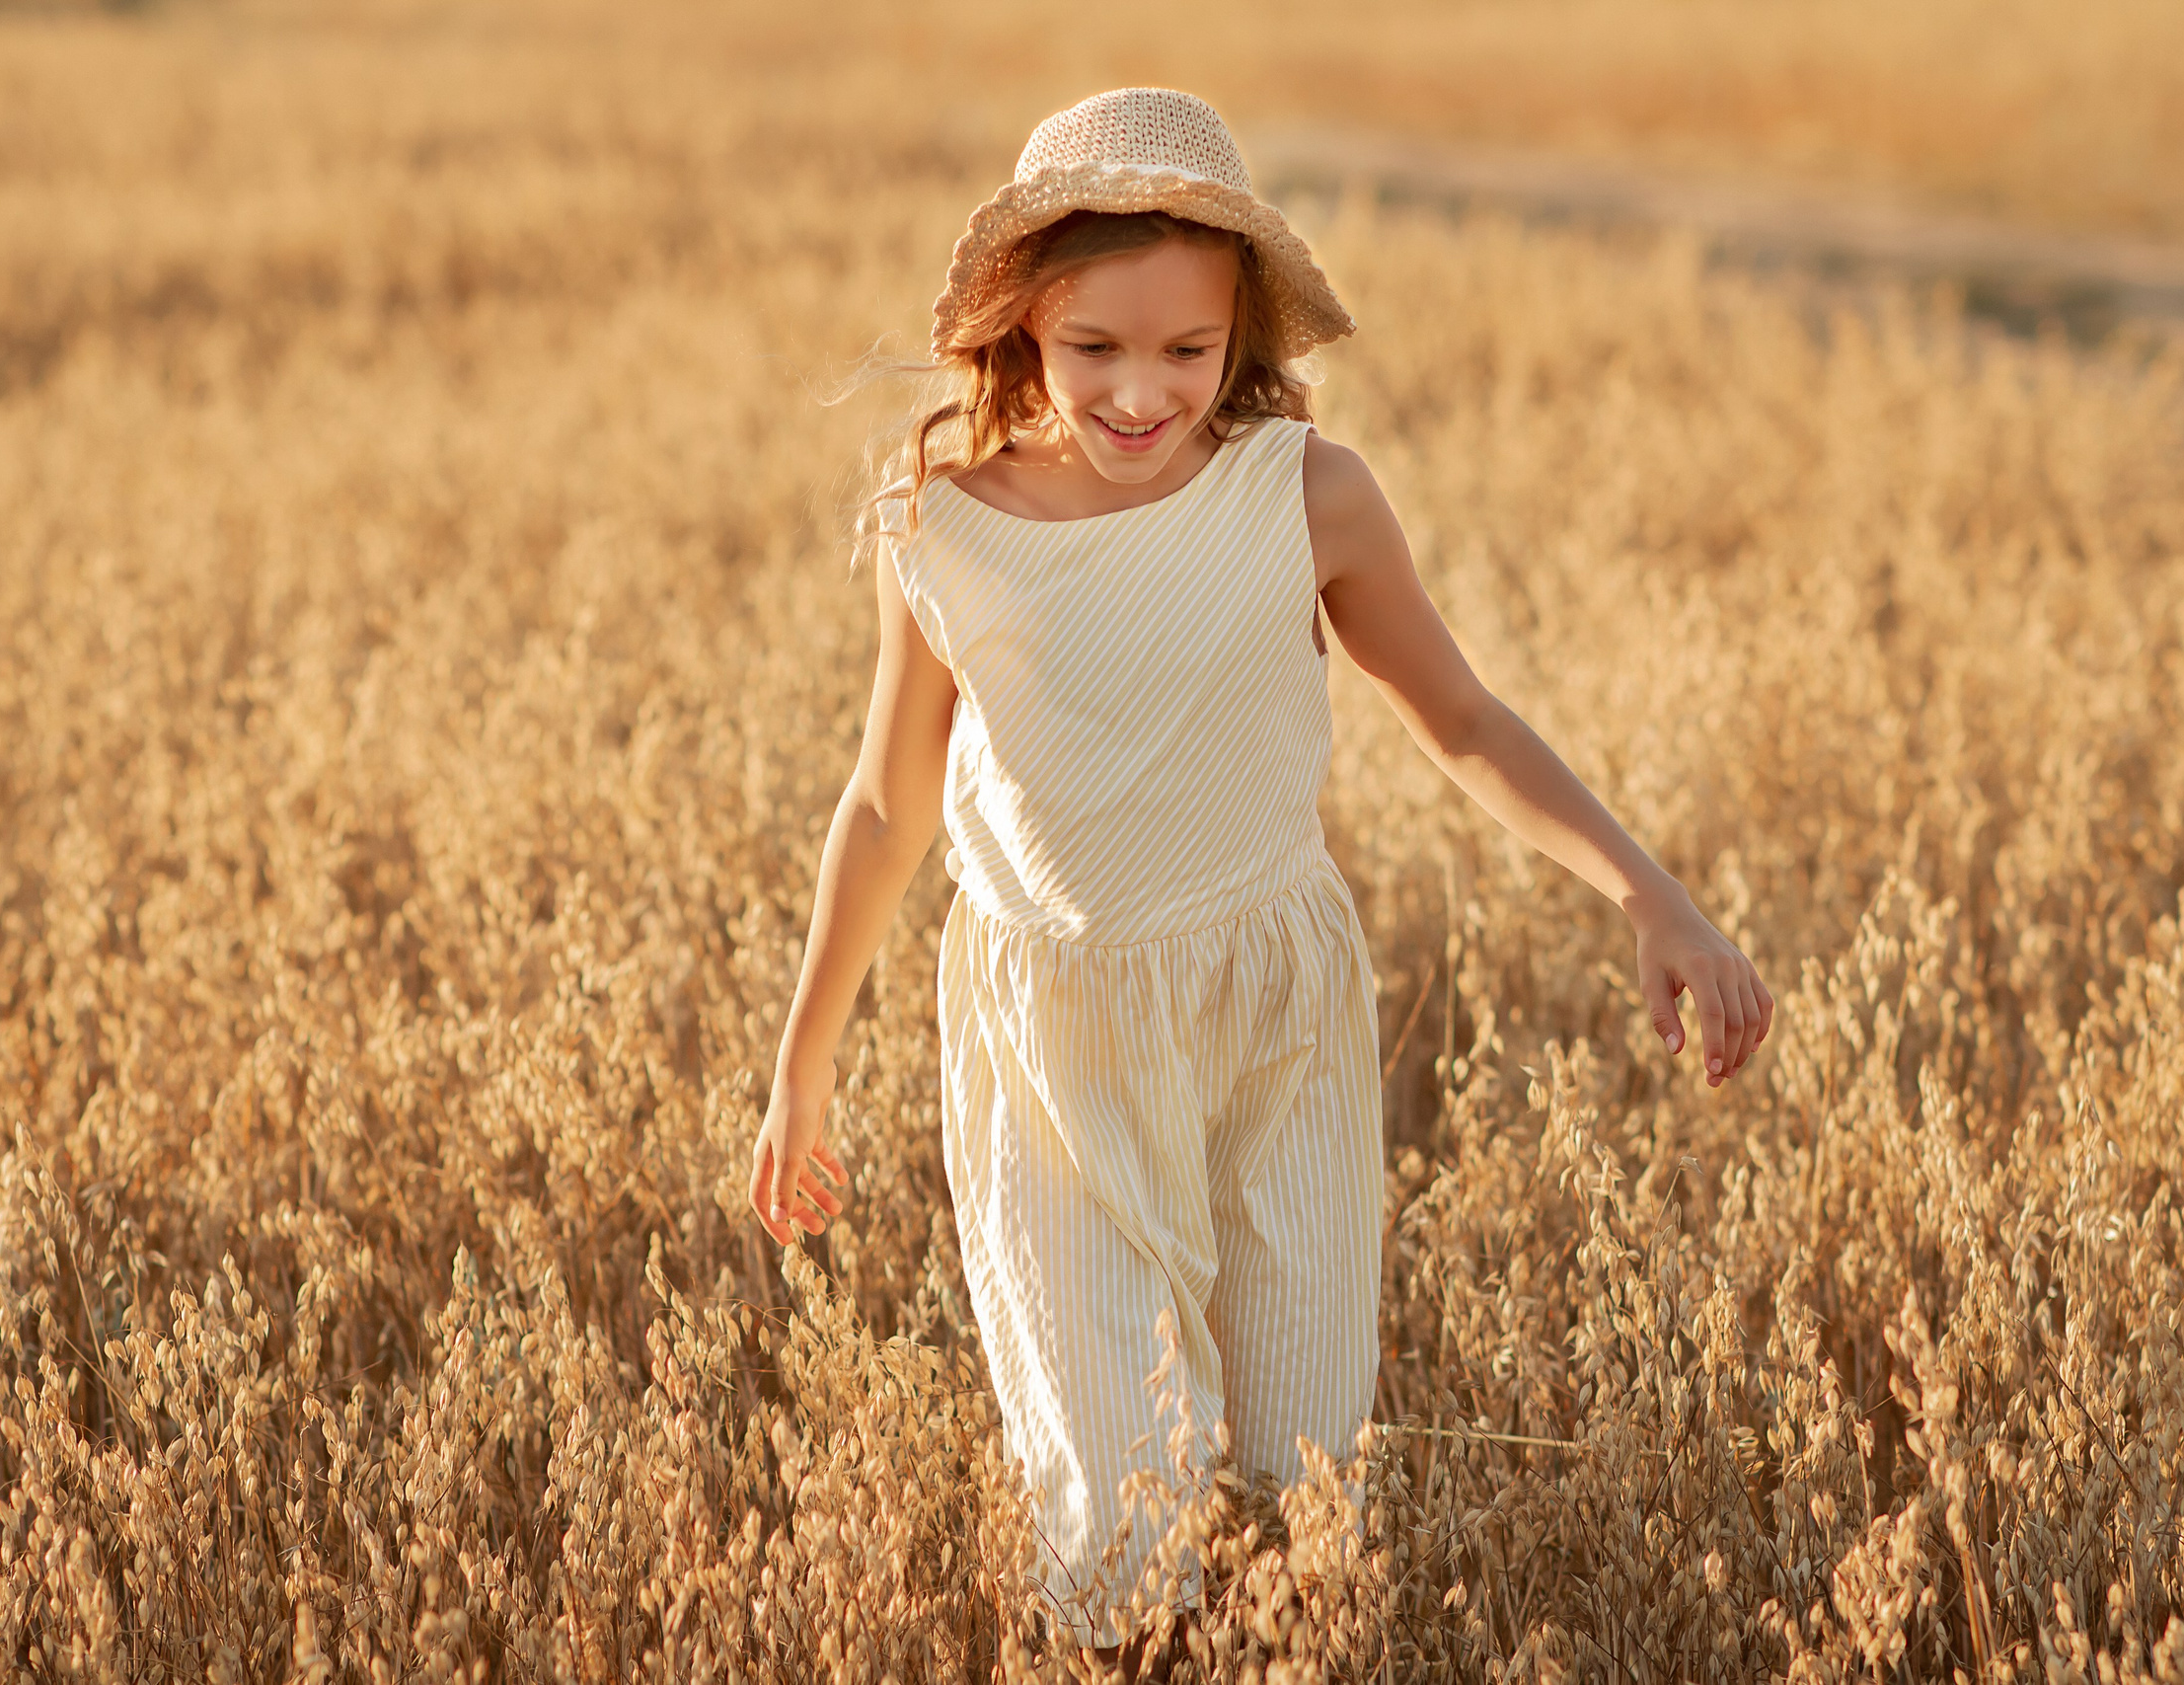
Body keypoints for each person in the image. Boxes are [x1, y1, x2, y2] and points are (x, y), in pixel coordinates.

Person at [745, 87, 1772, 1662]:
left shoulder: (1303, 496)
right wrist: (802, 1068)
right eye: (1094, 348)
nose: (1142, 392)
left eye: (1188, 350)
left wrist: (1655, 899)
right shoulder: (945, 522)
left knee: (1303, 1474)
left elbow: (1463, 716)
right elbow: (886, 804)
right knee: (1118, 1502)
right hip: (1054, 1049)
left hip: (1272, 1023)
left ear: (1243, 336)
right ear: (1024, 327)